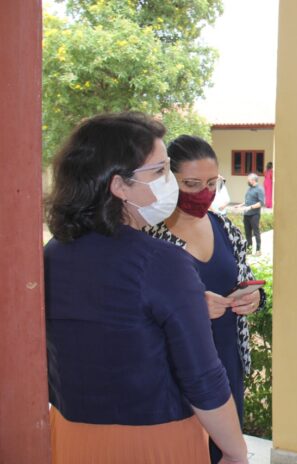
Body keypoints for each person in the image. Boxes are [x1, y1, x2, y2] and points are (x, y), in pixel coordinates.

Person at [43, 112, 248, 464]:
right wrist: (234, 451)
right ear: (119, 186)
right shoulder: (162, 262)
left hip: (70, 435)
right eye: (159, 172)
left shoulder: (53, 253)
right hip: (154, 441)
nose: (170, 182)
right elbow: (203, 378)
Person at [145, 135, 265, 464]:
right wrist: (189, 310)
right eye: (192, 184)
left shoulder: (226, 227)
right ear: (168, 181)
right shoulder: (148, 235)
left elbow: (244, 278)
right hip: (174, 372)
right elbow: (134, 313)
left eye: (212, 183)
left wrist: (255, 298)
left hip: (227, 364)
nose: (204, 193)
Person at [241, 172, 264, 256]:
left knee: (256, 232)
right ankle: (249, 249)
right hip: (246, 214)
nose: (247, 181)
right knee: (248, 233)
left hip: (254, 215)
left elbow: (261, 203)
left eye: (248, 180)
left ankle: (258, 250)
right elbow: (248, 201)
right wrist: (240, 205)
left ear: (253, 180)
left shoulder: (259, 189)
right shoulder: (249, 188)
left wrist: (250, 207)